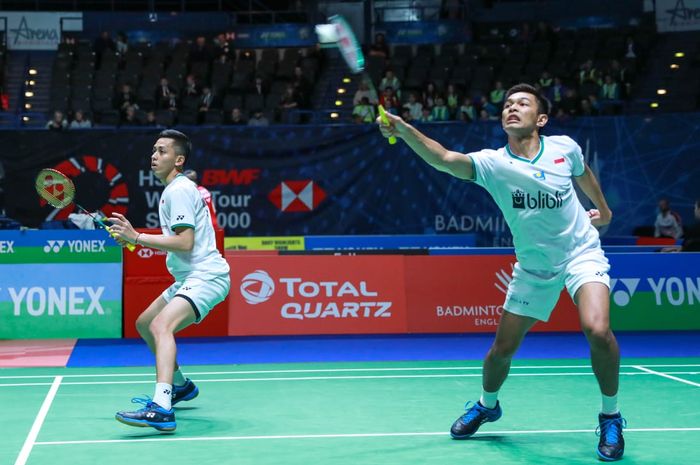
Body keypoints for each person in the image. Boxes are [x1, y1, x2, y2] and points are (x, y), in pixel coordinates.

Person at [377, 83, 625, 461]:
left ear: (540, 119)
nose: (512, 108)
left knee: (598, 329)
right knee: (500, 351)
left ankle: (611, 415)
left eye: (523, 103)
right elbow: (443, 157)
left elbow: (584, 173)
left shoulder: (564, 148)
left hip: (580, 254)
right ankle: (487, 405)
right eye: (508, 104)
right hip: (533, 268)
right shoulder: (493, 164)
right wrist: (404, 129)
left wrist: (603, 211)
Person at [109, 130, 231, 431]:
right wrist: (134, 238)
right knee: (144, 322)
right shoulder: (174, 189)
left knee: (160, 326)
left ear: (179, 159)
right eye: (153, 150)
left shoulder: (178, 190)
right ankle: (180, 387)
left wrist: (137, 236)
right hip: (189, 275)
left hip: (206, 274)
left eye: (162, 151)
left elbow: (185, 242)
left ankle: (162, 407)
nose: (154, 155)